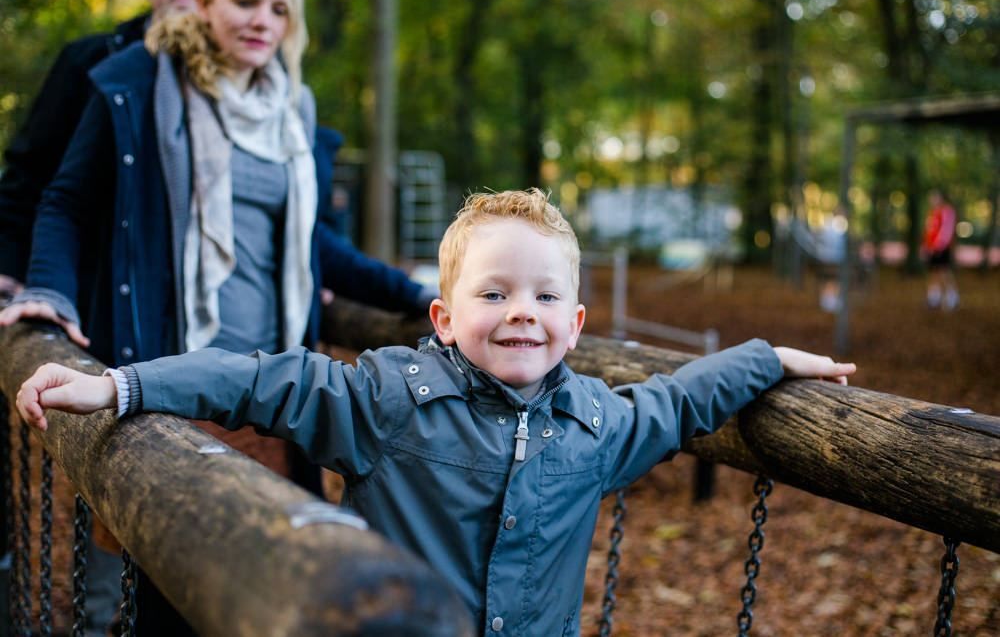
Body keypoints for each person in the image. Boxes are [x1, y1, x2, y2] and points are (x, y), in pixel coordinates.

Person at [14, 189, 856, 634]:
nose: (521, 310)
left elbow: (677, 400)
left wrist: (768, 359)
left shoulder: (600, 425)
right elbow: (259, 379)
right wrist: (120, 386)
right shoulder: (384, 399)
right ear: (445, 319)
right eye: (494, 292)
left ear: (575, 325)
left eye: (544, 294)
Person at [0, 0, 432, 633]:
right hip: (172, 381)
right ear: (205, 4)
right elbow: (65, 199)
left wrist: (417, 293)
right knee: (170, 595)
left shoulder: (292, 113)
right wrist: (49, 290)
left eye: (279, 9)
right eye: (244, 1)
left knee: (267, 586)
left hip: (272, 389)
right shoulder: (139, 84)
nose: (263, 19)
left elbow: (315, 244)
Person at [0, 0, 202, 633]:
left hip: (208, 343)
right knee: (111, 503)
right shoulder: (100, 65)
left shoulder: (256, 81)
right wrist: (27, 277)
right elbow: (40, 183)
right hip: (104, 318)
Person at [0, 0, 204, 299]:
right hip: (94, 288)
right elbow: (31, 170)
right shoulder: (89, 61)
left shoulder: (252, 81)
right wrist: (9, 262)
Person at [922, 190, 959, 311]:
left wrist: (939, 245)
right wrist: (926, 246)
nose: (933, 200)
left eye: (935, 197)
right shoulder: (931, 213)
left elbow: (947, 229)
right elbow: (928, 231)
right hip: (931, 248)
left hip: (941, 248)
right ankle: (934, 297)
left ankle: (952, 296)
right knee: (933, 271)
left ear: (940, 198)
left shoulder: (946, 211)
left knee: (943, 271)